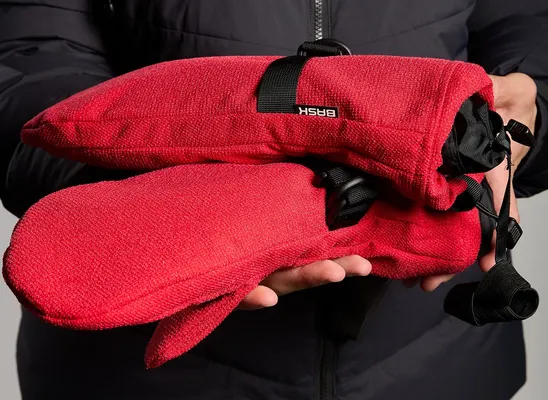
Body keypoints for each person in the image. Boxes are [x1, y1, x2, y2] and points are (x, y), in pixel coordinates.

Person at [1, 1, 547, 399]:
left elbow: (529, 30)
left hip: (439, 364)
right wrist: (171, 209)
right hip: (144, 377)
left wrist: (532, 113)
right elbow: (26, 67)